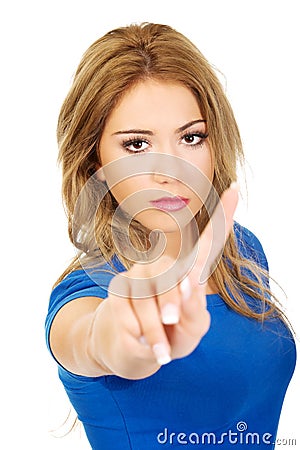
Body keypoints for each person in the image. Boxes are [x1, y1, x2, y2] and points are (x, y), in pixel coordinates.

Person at [45, 23, 296, 449]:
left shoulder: (240, 249)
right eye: (137, 145)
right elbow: (89, 339)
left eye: (191, 137)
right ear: (94, 161)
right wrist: (122, 337)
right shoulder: (87, 292)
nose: (170, 171)